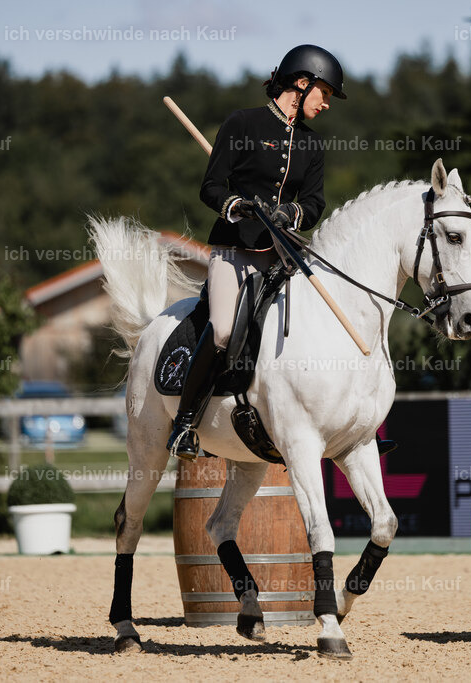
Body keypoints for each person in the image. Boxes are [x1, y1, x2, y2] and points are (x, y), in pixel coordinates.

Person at [165, 45, 346, 460]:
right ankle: (185, 424)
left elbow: (314, 202)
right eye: (324, 94)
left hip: (283, 256)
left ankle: (339, 428)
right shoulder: (242, 123)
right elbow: (211, 187)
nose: (326, 104)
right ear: (302, 83)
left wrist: (291, 212)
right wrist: (236, 205)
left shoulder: (311, 144)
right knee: (223, 331)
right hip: (235, 251)